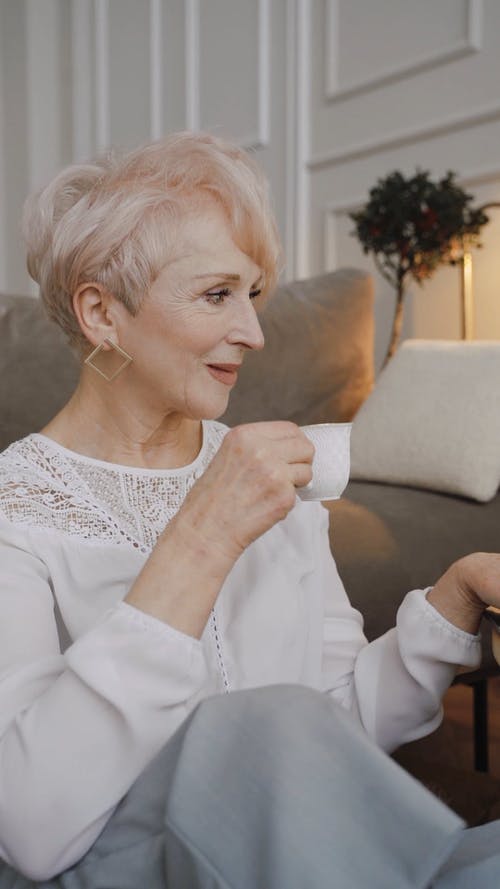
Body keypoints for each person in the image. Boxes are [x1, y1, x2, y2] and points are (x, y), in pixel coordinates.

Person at [0, 130, 499, 889]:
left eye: (253, 292)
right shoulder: (16, 509)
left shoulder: (269, 479)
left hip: (292, 858)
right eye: (216, 294)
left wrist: (453, 599)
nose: (254, 332)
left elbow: (335, 733)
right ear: (102, 313)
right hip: (128, 868)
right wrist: (203, 536)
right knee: (262, 722)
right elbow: (29, 829)